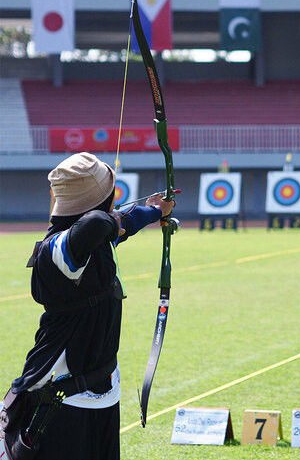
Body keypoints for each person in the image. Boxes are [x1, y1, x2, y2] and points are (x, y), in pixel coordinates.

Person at [0, 152, 175, 460]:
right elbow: (97, 224)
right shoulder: (58, 249)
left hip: (102, 386)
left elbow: (117, 226)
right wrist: (114, 218)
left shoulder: (94, 240)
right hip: (59, 395)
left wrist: (152, 211)